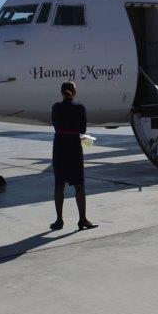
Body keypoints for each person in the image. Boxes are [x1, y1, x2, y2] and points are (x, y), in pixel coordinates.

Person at [50, 81, 96, 230]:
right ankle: (82, 219)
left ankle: (59, 221)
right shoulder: (80, 107)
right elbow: (83, 129)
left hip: (60, 146)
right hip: (74, 146)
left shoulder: (56, 107)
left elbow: (55, 125)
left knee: (59, 185)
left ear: (61, 92)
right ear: (74, 92)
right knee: (79, 186)